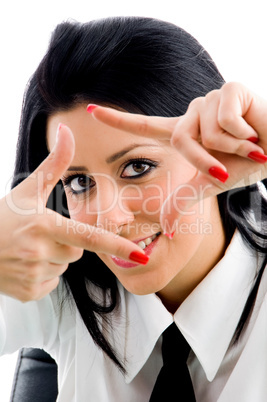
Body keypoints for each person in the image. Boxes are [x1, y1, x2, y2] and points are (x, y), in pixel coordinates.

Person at [2, 15, 267, 401]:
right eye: (79, 182)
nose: (109, 220)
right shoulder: (62, 284)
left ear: (213, 149)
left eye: (137, 168)